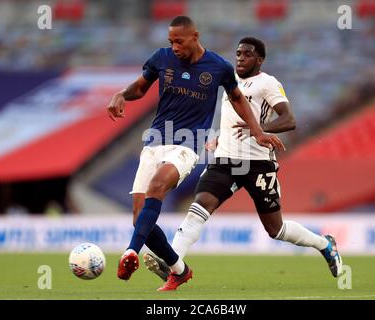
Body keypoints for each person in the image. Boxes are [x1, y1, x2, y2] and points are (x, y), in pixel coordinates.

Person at [143, 37, 343, 288]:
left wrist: (257, 129)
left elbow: (289, 119)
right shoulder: (229, 80)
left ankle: (325, 244)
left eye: (247, 54)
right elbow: (227, 117)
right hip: (225, 160)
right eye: (238, 53)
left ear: (259, 59)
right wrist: (217, 136)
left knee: (276, 229)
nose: (240, 58)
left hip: (257, 163)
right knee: (199, 208)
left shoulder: (268, 83)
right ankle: (175, 266)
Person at [107, 18, 285, 291]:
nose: (175, 47)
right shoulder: (162, 58)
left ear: (194, 37)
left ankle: (130, 252)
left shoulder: (218, 67)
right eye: (171, 42)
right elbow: (140, 88)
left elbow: (238, 98)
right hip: (155, 140)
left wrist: (258, 131)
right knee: (139, 217)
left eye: (179, 41)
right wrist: (121, 94)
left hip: (188, 143)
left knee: (158, 186)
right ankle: (180, 270)